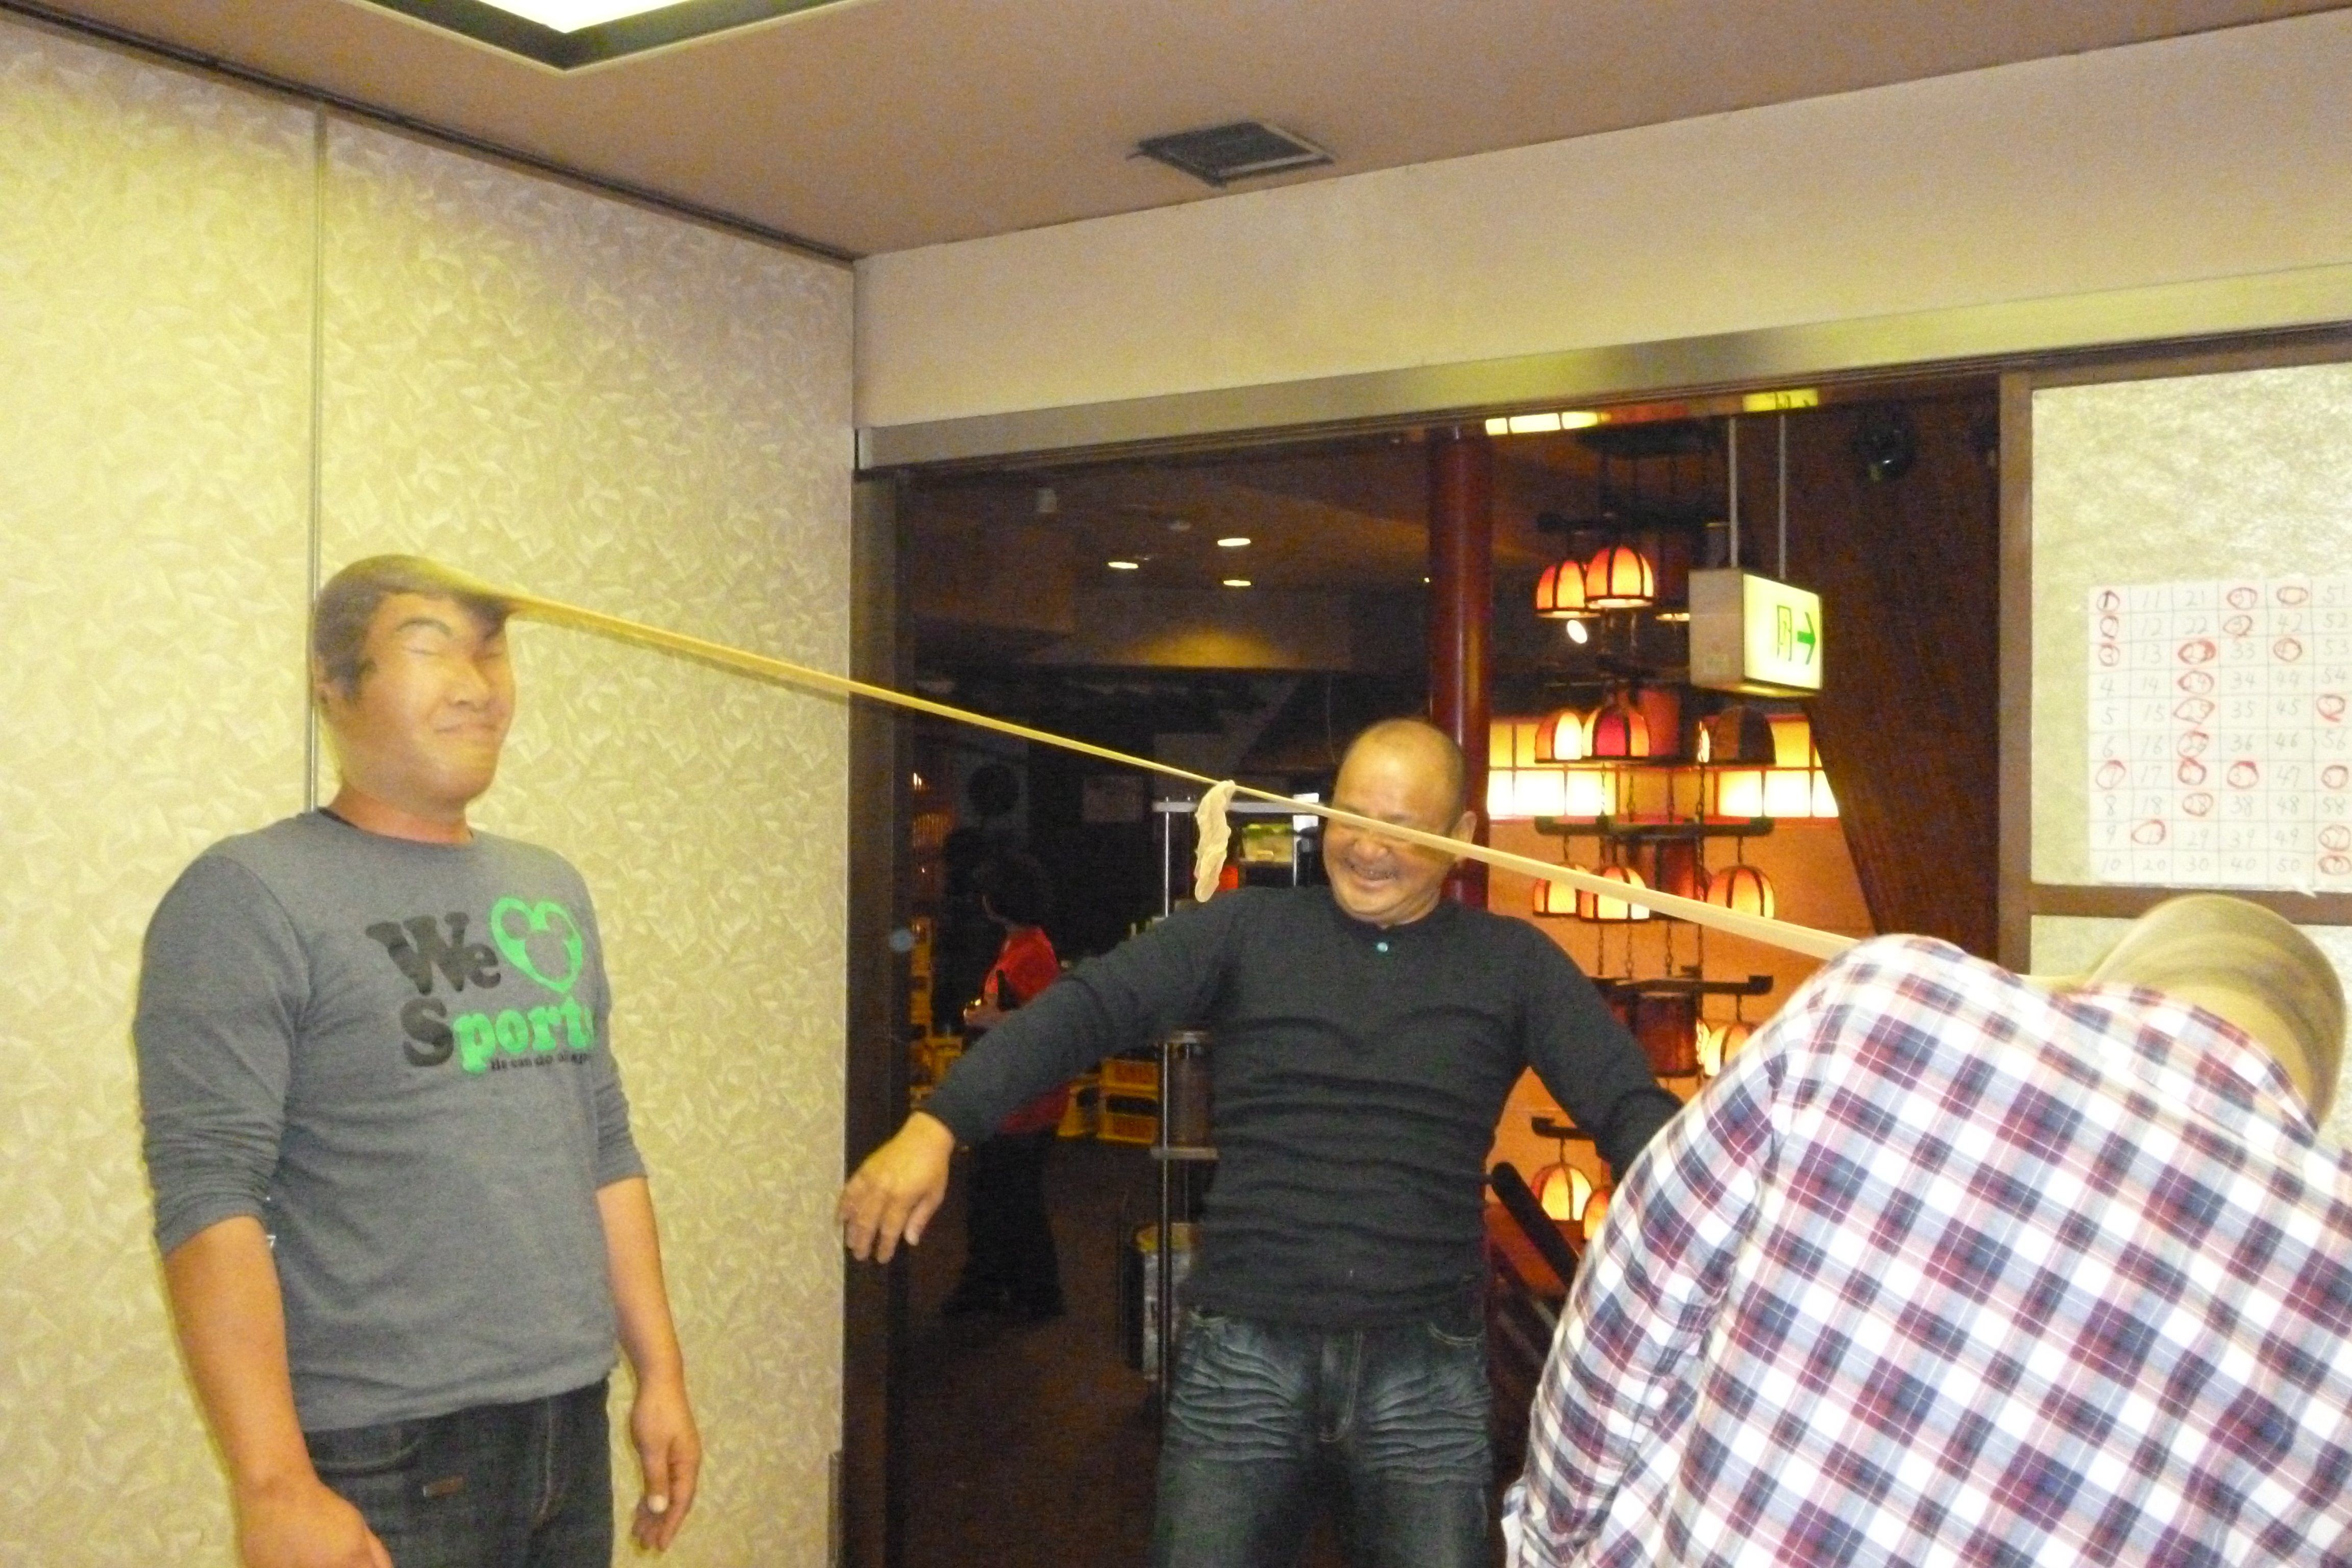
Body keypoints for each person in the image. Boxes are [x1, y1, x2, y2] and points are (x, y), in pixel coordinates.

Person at [842, 717, 1680, 1568]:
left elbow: (1627, 1105)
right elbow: (1087, 1007)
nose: (1367, 849)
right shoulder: (1245, 930)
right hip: (1244, 1352)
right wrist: (941, 1121)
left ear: (1460, 836)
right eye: (1351, 817)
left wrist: (1720, 1235)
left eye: (1400, 828)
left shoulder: (1514, 963)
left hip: (1423, 1365)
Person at [135, 555, 700, 1568]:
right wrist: (274, 1485)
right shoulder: (248, 894)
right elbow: (210, 1191)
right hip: (383, 1448)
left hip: (567, 1417)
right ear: (334, 684)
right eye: (430, 648)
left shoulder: (549, 888)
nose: (478, 686)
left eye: (491, 652)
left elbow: (604, 1143)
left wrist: (659, 1372)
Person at [1505, 896, 2352, 1567]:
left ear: (2116, 979)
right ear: (2306, 1092)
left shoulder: (1893, 1002)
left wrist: (1550, 1545)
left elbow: (1632, 1314)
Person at [941, 850, 1070, 1320]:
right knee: (1008, 1200)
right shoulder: (1025, 946)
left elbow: (1045, 1024)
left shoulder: (1030, 953)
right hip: (1020, 1097)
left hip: (1023, 1102)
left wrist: (989, 1019)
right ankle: (1018, 1291)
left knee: (1004, 1200)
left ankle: (1014, 1292)